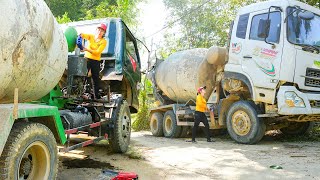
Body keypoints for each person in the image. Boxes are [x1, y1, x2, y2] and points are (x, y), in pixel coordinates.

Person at [80, 23, 107, 99]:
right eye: (99, 29)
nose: (99, 32)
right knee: (83, 76)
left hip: (96, 61)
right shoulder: (91, 36)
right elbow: (85, 35)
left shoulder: (103, 41)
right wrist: (81, 35)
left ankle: (96, 96)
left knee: (95, 78)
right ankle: (81, 93)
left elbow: (97, 52)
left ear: (104, 33)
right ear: (96, 30)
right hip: (87, 59)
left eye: (102, 31)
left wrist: (86, 49)